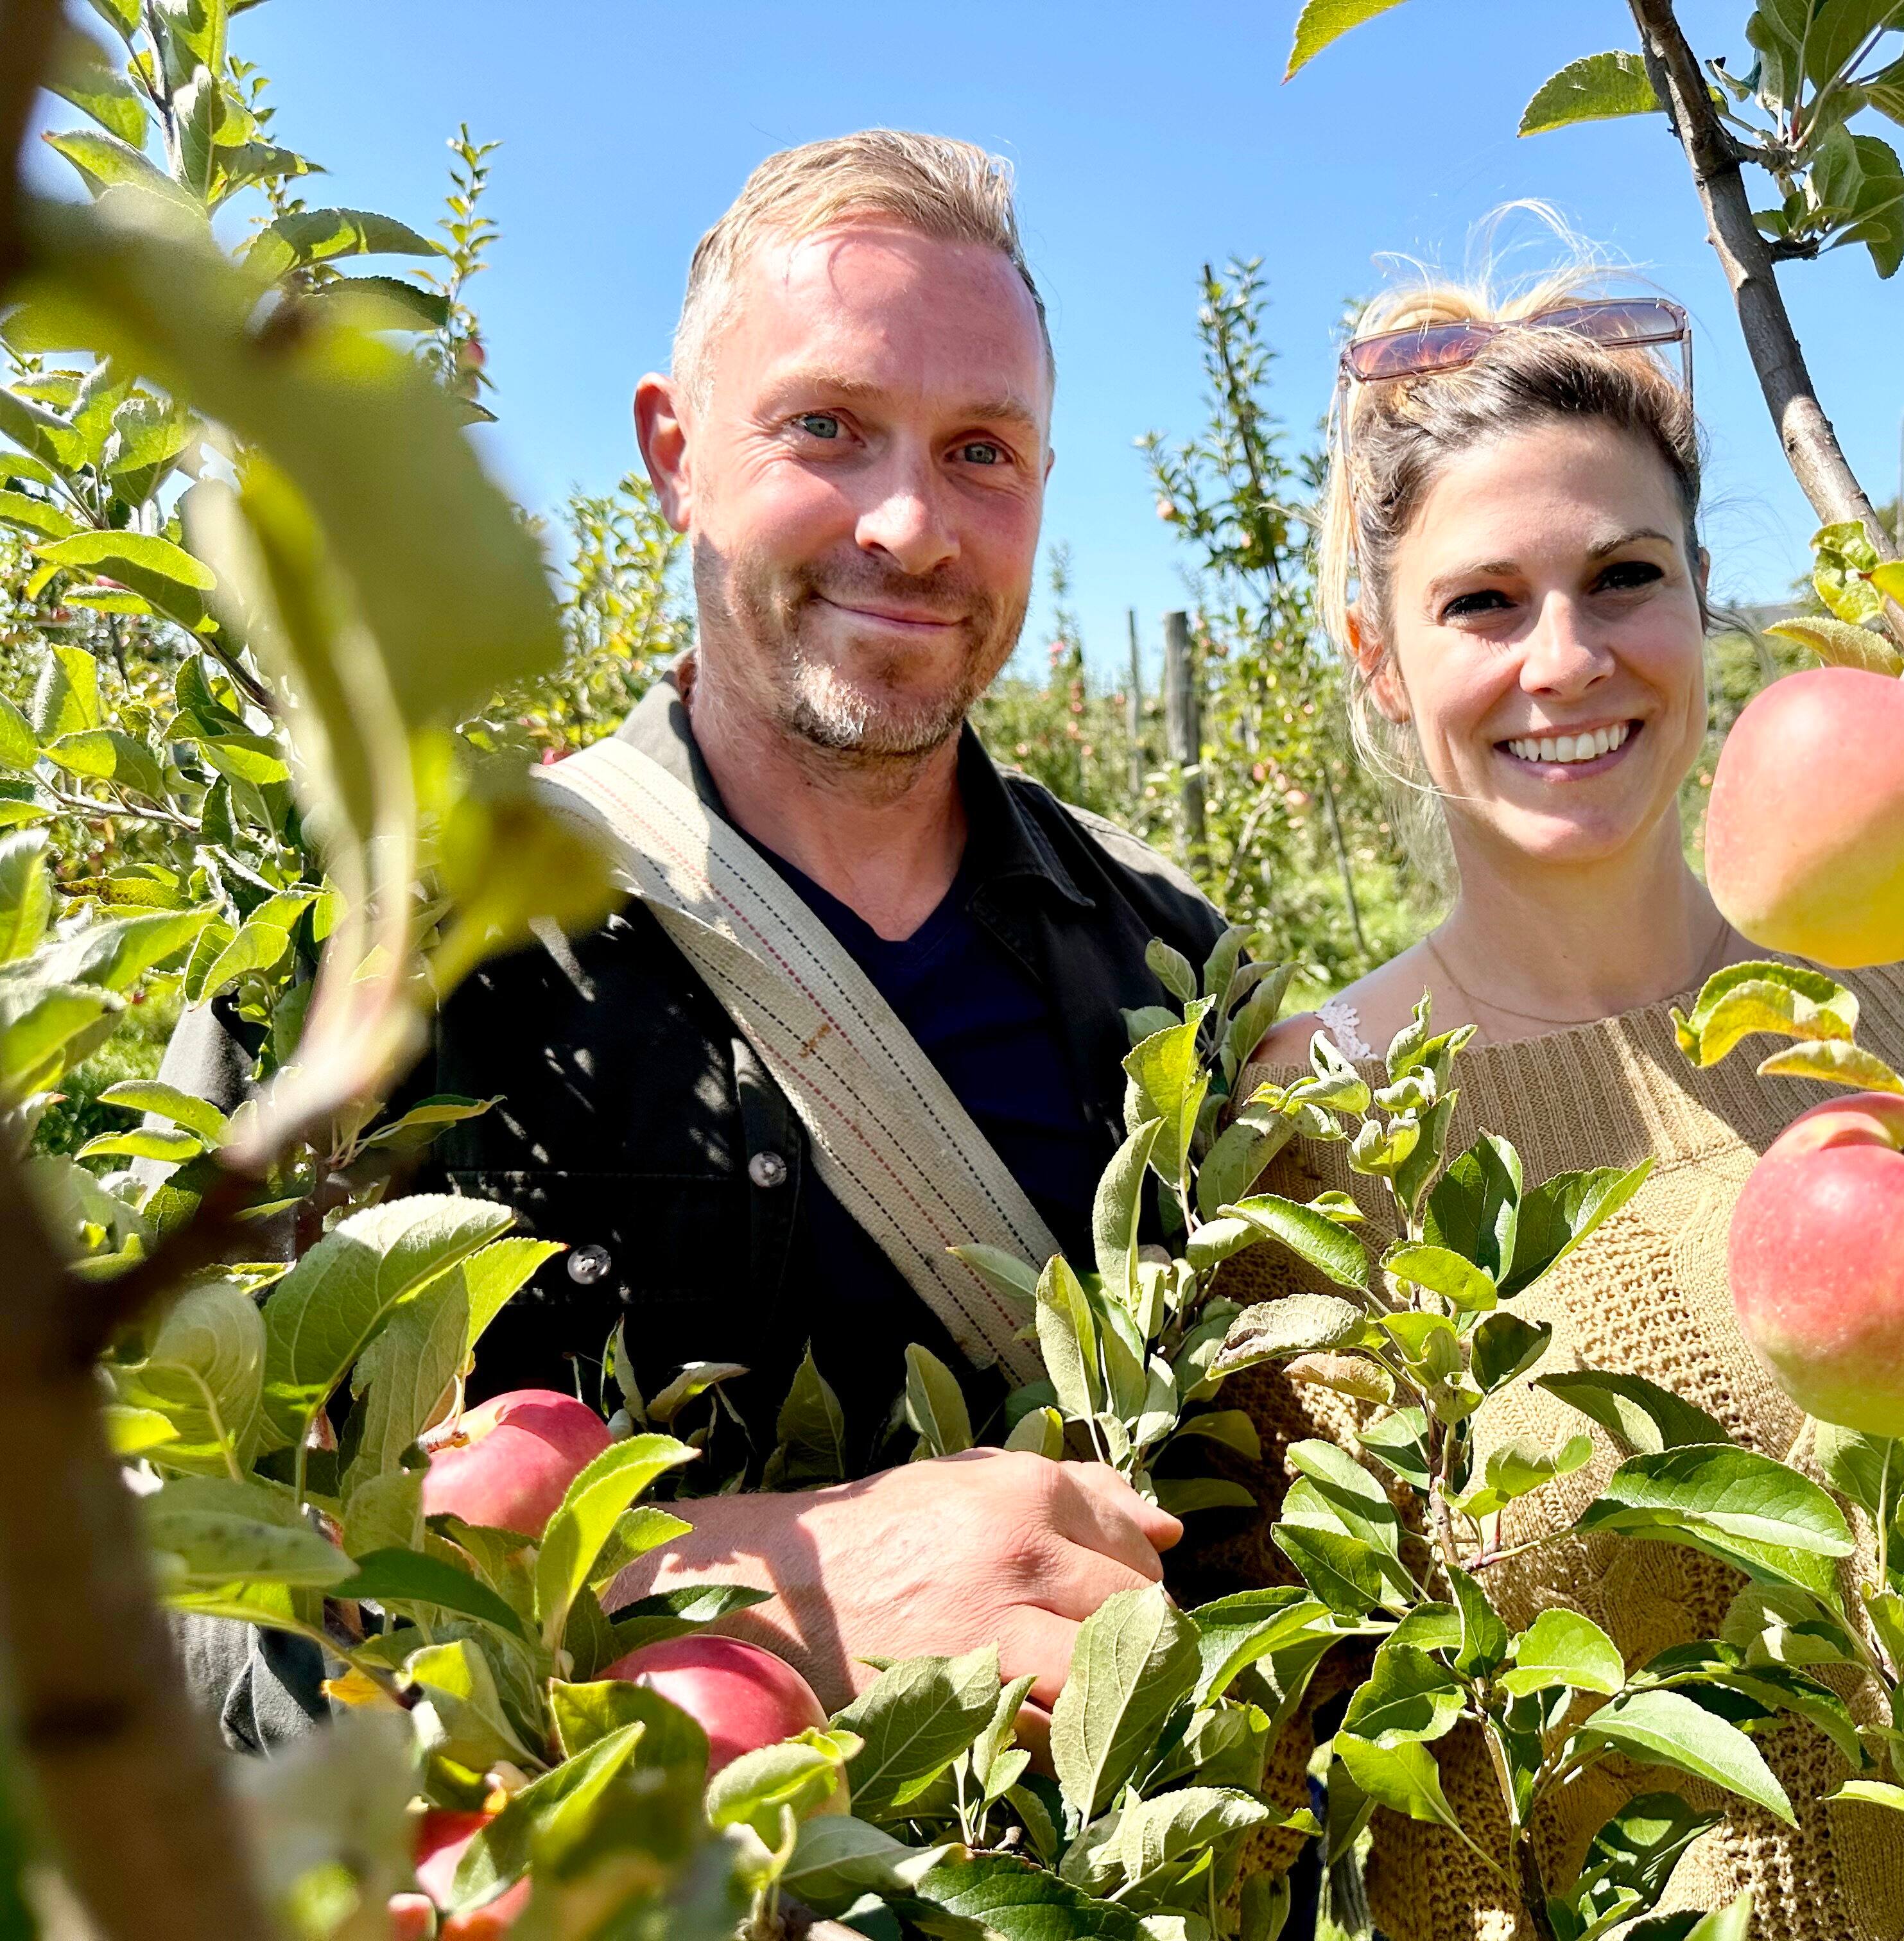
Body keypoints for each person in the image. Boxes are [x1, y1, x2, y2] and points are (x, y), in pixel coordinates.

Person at [1188, 260, 1904, 1941]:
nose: (1564, 658)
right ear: (1376, 655)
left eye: (1623, 578)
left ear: (1703, 603)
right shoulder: (1326, 1127)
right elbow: (1284, 1743)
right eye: (1482, 602)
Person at [165, 132, 1212, 1740]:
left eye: (982, 451)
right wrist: (739, 1592)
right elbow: (166, 1594)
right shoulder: (382, 958)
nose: (910, 526)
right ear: (673, 456)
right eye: (828, 429)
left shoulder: (1168, 971)